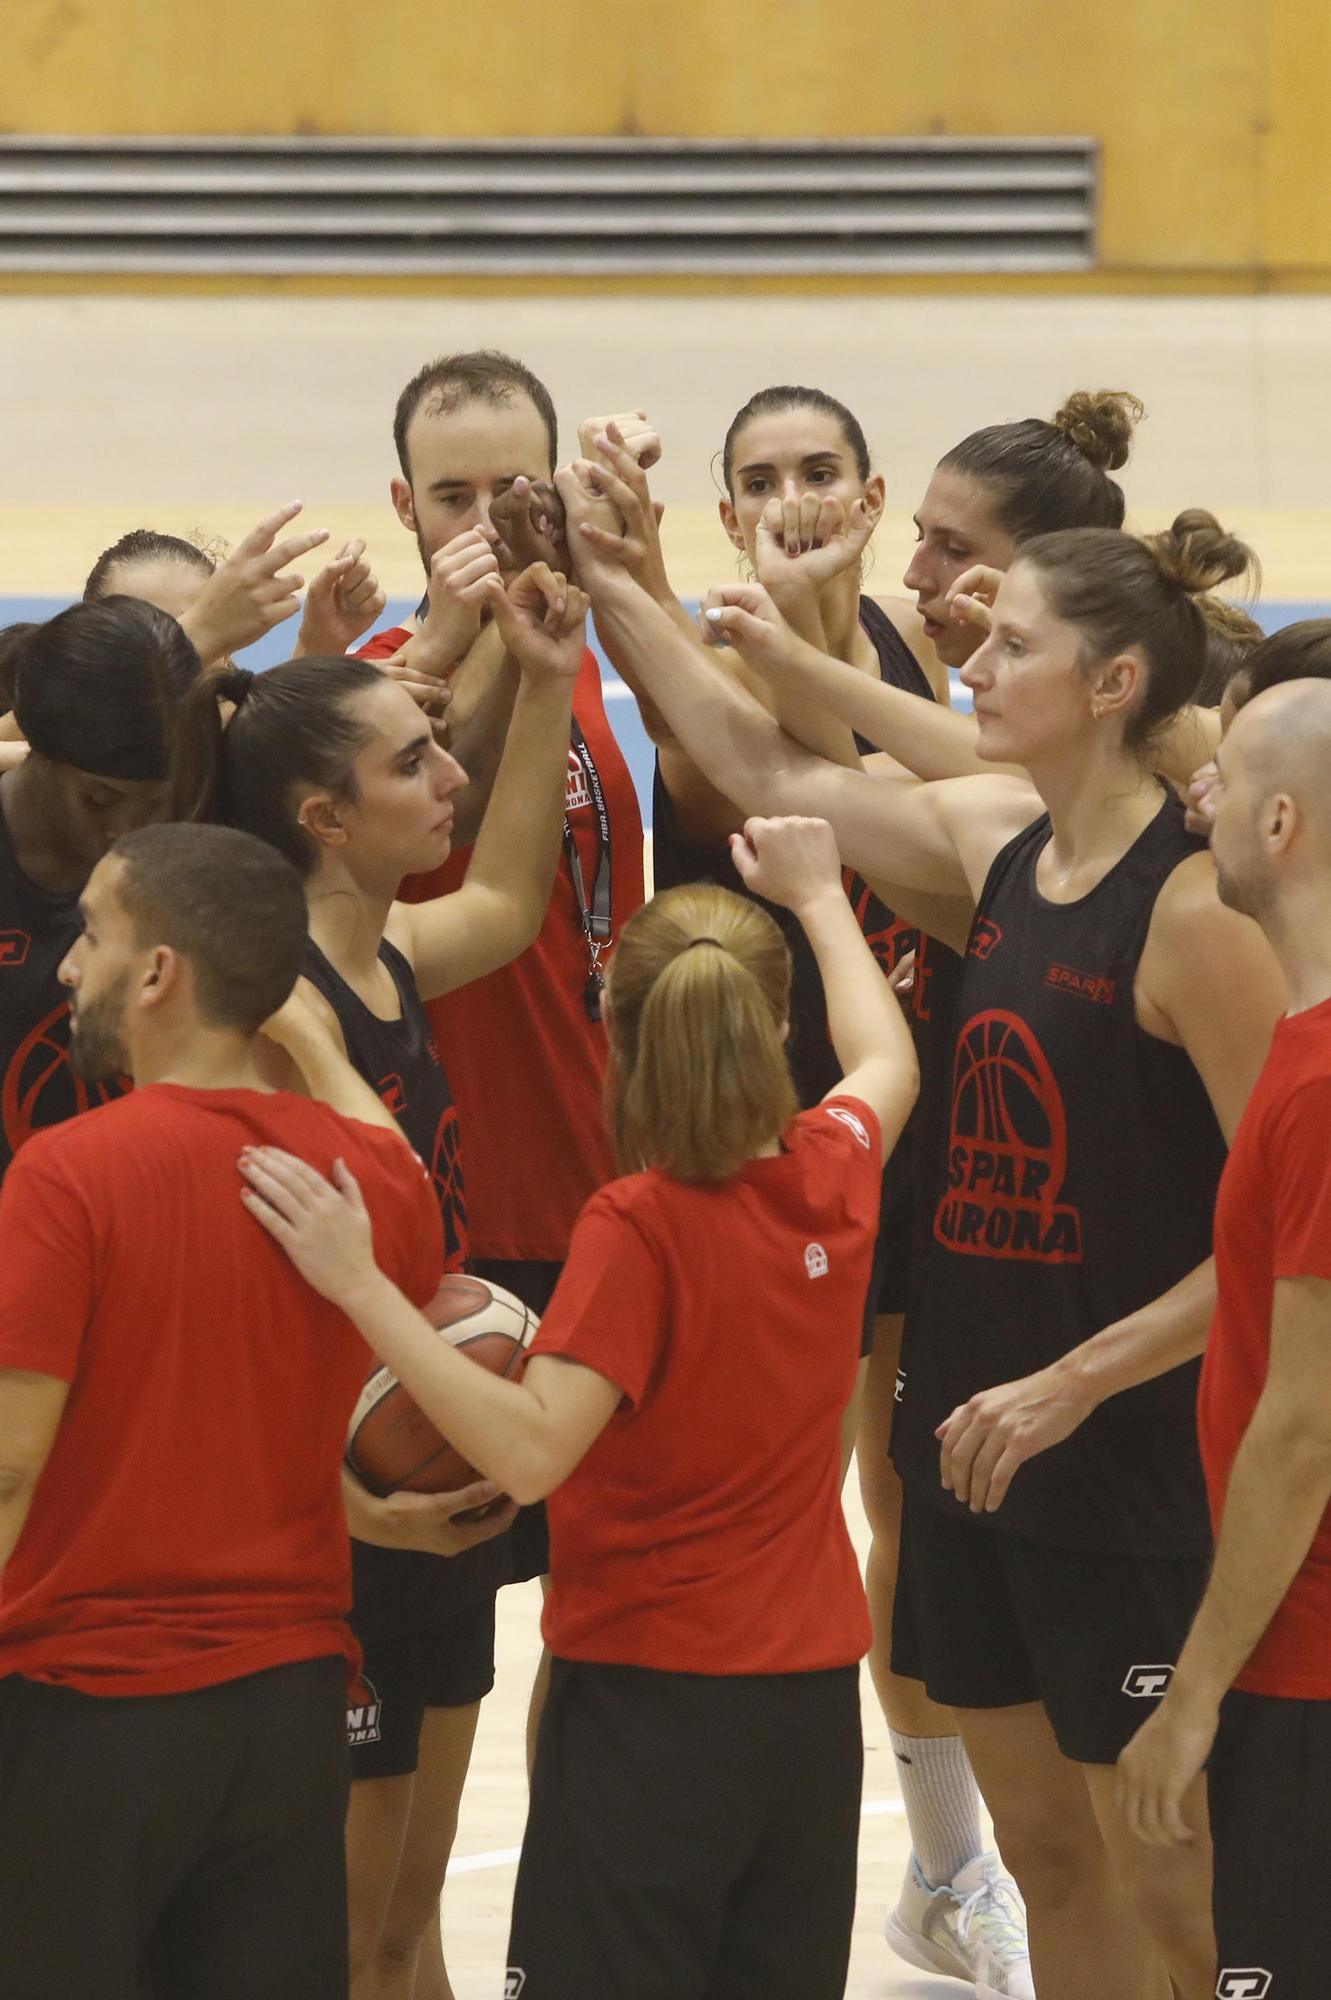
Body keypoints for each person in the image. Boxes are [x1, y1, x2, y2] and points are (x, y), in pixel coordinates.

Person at [562, 484, 1285, 1999]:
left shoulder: (1193, 916)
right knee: (1043, 1851)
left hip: (1123, 1460)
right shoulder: (997, 842)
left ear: (1108, 686)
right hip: (972, 1435)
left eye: (1008, 644)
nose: (965, 661)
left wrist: (1077, 1377)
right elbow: (762, 763)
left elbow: (1281, 1240)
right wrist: (608, 579)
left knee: (1176, 1884)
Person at [239, 811, 920, 2000]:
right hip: (811, 1709)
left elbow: (532, 1449)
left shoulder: (635, 1226)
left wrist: (358, 1283)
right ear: (773, 1026)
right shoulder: (836, 1166)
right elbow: (886, 1058)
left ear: (615, 1038)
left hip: (650, 1708)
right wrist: (818, 899)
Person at [172, 556, 588, 2000]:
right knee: (337, 1944)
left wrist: (540, 681)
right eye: (412, 762)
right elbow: (205, 1323)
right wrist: (337, 1494)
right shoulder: (262, 1015)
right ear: (322, 818)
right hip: (328, 1520)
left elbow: (521, 897)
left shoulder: (391, 952)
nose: (447, 782)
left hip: (427, 1498)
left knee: (403, 1932)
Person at [0, 820, 444, 2000]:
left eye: (90, 935)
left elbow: (7, 1463)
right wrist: (303, 1031)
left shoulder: (67, 1172)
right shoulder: (363, 1186)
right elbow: (390, 1162)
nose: (65, 967)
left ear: (157, 973)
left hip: (87, 1714)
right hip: (286, 1717)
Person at [1113, 677, 1331, 1998]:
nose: (1200, 796)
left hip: (1304, 1666)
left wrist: (1190, 1695)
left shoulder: (1312, 1089)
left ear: (1283, 821)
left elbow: (1301, 1432)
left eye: (1226, 780)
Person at [0, 598, 200, 1178]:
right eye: (99, 800)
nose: (125, 832)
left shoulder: (198, 841)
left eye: (156, 804)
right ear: (34, 742)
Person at [83, 513, 389, 666]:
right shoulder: (59, 737)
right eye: (153, 631)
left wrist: (319, 645)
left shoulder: (241, 726)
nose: (201, 630)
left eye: (201, 614)